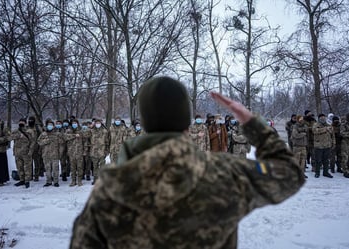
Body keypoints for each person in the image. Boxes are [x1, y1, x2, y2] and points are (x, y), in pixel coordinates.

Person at [70, 76, 305, 249]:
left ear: (145, 122)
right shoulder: (226, 173)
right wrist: (252, 123)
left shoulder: (110, 188)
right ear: (186, 123)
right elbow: (290, 172)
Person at [10, 118, 36, 188]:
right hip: (17, 152)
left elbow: (33, 142)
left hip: (26, 152)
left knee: (27, 167)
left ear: (25, 123)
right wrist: (17, 136)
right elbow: (9, 138)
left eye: (23, 122)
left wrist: (30, 151)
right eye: (20, 122)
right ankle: (22, 180)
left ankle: (27, 181)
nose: (21, 123)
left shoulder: (29, 131)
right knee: (19, 167)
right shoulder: (16, 131)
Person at [38, 120, 63, 187]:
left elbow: (61, 144)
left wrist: (60, 153)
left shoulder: (57, 134)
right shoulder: (43, 134)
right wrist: (46, 141)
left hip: (55, 154)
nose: (50, 126)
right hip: (46, 155)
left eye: (51, 125)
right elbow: (39, 142)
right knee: (47, 169)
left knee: (55, 169)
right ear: (46, 126)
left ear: (53, 126)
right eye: (49, 125)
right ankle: (48, 181)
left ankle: (56, 182)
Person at [87, 118, 109, 185]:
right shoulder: (91, 131)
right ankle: (95, 180)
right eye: (96, 123)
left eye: (99, 123)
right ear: (94, 123)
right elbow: (87, 138)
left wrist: (106, 151)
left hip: (102, 152)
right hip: (94, 152)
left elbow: (107, 142)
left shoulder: (105, 131)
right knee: (95, 167)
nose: (98, 124)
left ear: (101, 123)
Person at [312, 114, 334, 178]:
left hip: (327, 145)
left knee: (326, 160)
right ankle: (317, 173)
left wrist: (333, 143)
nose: (323, 119)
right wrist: (325, 129)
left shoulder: (329, 125)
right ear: (319, 118)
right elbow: (315, 131)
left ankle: (326, 172)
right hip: (318, 146)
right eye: (321, 117)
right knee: (318, 160)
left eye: (324, 117)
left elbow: (332, 135)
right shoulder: (316, 125)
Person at [65, 119, 85, 186]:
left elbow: (84, 141)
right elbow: (65, 137)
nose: (74, 124)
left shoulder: (81, 131)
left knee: (80, 167)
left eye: (75, 123)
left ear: (77, 123)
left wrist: (84, 151)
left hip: (79, 152)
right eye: (73, 123)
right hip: (71, 152)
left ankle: (79, 180)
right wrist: (74, 135)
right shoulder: (68, 130)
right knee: (72, 167)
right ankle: (73, 181)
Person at [27, 116, 44, 181]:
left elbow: (42, 135)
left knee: (37, 162)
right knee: (29, 163)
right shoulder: (27, 127)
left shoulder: (37, 127)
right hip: (28, 148)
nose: (30, 121)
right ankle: (30, 175)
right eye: (29, 120)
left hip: (36, 147)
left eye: (32, 120)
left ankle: (36, 175)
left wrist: (40, 145)